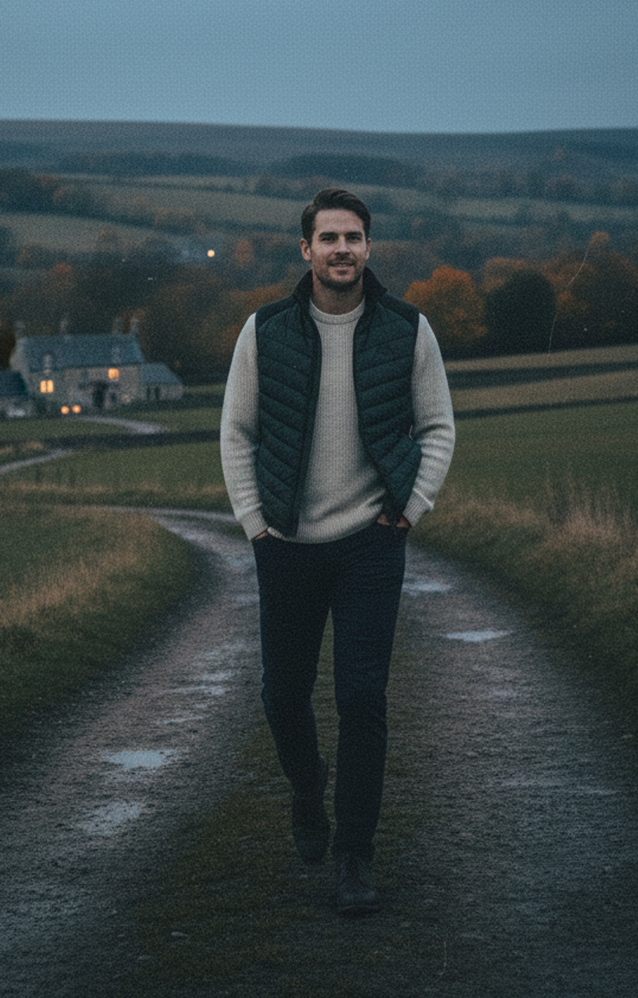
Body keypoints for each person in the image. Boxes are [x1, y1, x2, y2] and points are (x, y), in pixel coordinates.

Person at [220, 186, 455, 915]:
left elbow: (439, 426)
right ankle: (305, 785)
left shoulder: (408, 329)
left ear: (369, 247)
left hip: (370, 546)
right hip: (284, 546)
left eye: (353, 237)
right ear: (306, 250)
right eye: (328, 238)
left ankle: (354, 856)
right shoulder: (264, 332)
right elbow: (236, 433)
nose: (341, 249)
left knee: (361, 699)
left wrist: (409, 510)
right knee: (282, 695)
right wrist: (256, 526)